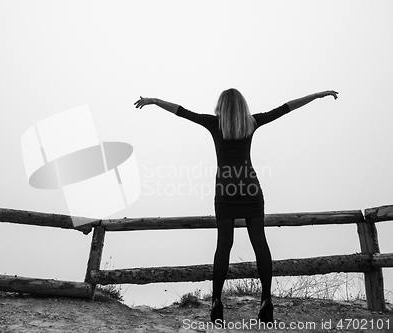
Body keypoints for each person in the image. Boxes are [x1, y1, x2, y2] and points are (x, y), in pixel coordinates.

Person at [134, 89, 338, 323]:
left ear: (221, 105)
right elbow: (286, 108)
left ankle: (217, 302)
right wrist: (316, 95)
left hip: (225, 189)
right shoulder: (251, 123)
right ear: (242, 105)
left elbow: (181, 112)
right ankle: (266, 301)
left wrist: (155, 101)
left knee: (224, 246)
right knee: (260, 243)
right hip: (250, 187)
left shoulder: (214, 124)